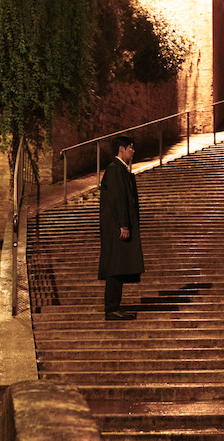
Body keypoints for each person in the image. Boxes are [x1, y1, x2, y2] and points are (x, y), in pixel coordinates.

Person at [98, 135, 143, 320]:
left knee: (119, 265)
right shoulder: (115, 169)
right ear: (121, 149)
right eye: (130, 147)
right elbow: (118, 198)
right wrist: (123, 224)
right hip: (116, 227)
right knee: (116, 266)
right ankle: (112, 307)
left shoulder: (120, 169)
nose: (133, 151)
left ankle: (114, 306)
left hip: (118, 225)